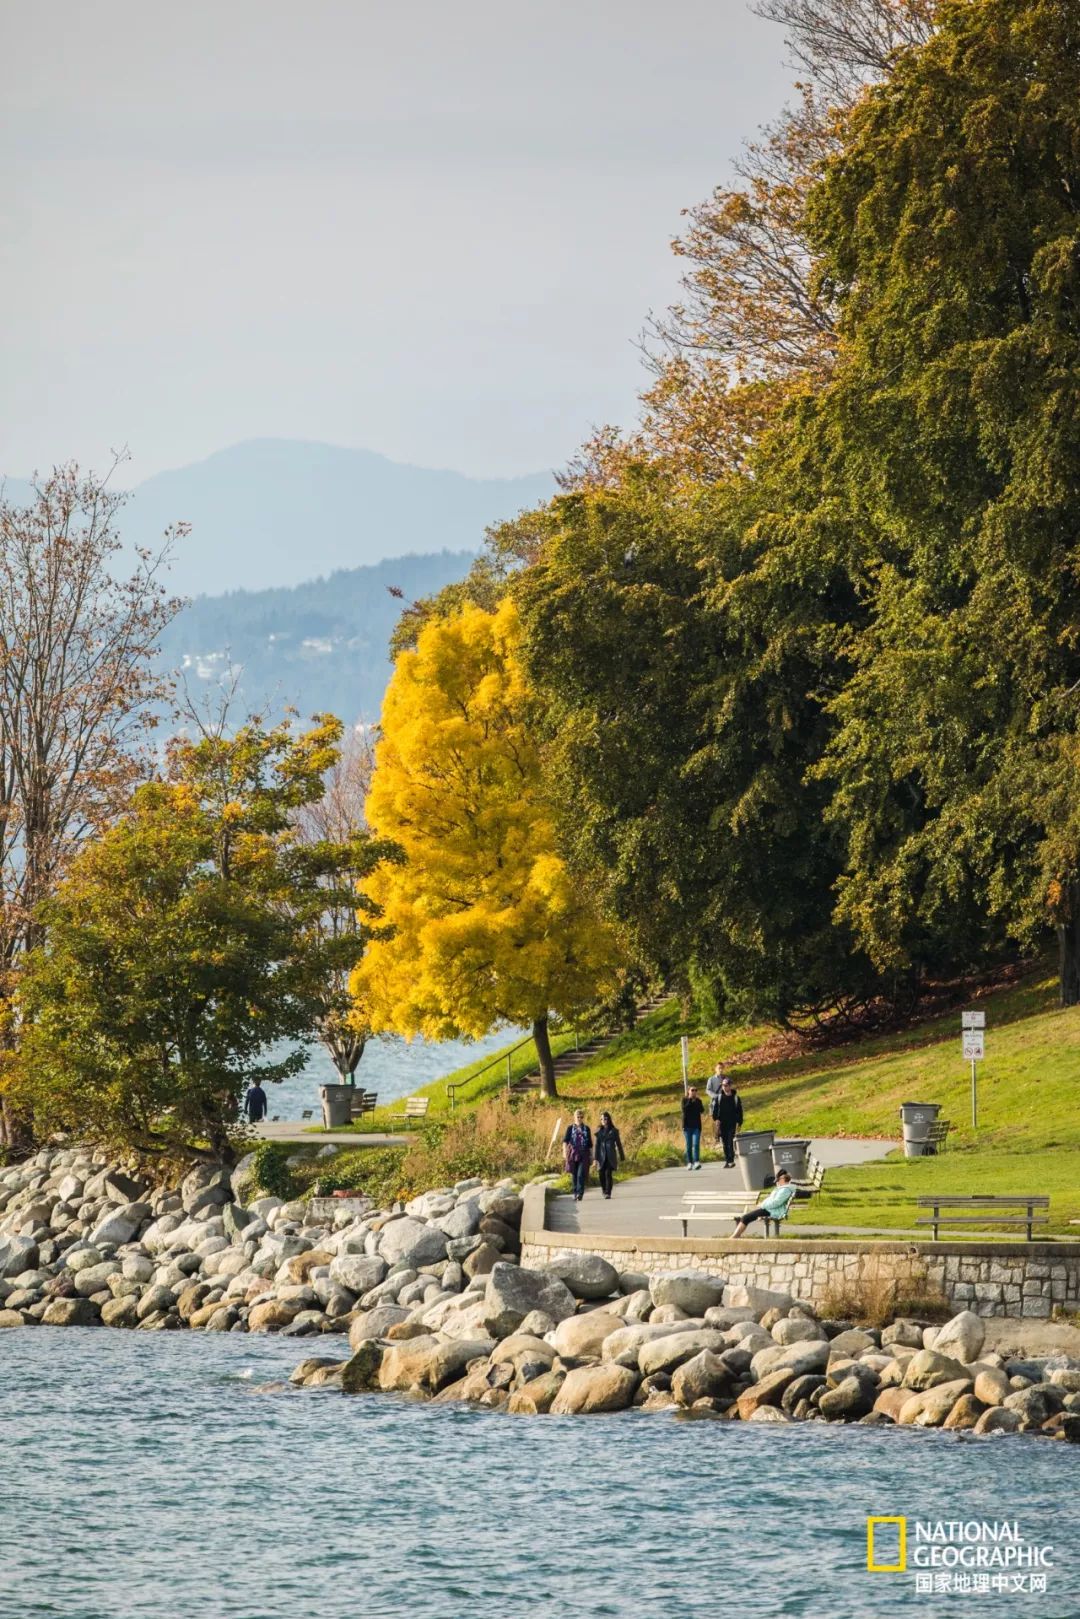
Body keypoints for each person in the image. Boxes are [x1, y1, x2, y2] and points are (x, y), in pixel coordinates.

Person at [732, 1171, 798, 1237]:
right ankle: (735, 1236)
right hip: (770, 1209)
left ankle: (733, 1237)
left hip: (772, 1211)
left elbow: (776, 1202)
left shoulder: (785, 1190)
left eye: (778, 1180)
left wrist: (762, 1205)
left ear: (783, 1179)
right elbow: (772, 1200)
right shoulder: (782, 1189)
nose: (777, 1182)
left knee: (745, 1218)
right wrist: (762, 1205)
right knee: (746, 1218)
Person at [712, 1073, 743, 1168]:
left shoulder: (736, 1098)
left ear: (730, 1086)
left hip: (732, 1123)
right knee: (725, 1143)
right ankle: (727, 1160)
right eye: (723, 1086)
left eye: (726, 1085)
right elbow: (715, 1110)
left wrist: (739, 1122)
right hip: (722, 1124)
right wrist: (716, 1119)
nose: (724, 1087)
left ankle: (731, 1160)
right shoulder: (719, 1098)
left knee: (730, 1142)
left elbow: (739, 1111)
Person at [593, 1111, 625, 1199]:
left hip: (610, 1156)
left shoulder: (614, 1131)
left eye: (605, 1118)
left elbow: (618, 1144)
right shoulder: (599, 1131)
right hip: (601, 1156)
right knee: (601, 1174)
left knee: (608, 1174)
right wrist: (595, 1159)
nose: (603, 1120)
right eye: (602, 1119)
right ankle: (603, 1190)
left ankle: (608, 1192)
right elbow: (596, 1146)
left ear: (609, 1119)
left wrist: (622, 1156)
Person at [563, 1109, 593, 1201]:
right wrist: (564, 1152)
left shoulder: (586, 1128)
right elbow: (565, 1141)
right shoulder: (570, 1128)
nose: (579, 1118)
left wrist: (592, 1155)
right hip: (573, 1153)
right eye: (578, 1117)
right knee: (574, 1174)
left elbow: (590, 1144)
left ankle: (580, 1193)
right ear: (574, 1117)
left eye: (581, 1117)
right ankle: (575, 1192)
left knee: (581, 1174)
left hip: (584, 1153)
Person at [682, 1085, 704, 1170]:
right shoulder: (684, 1100)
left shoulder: (698, 1101)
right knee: (689, 1145)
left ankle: (696, 1161)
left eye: (695, 1090)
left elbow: (702, 1110)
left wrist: (696, 1101)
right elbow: (684, 1110)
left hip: (696, 1126)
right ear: (688, 1091)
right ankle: (689, 1162)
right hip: (687, 1127)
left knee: (696, 1144)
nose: (694, 1092)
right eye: (692, 1090)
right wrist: (690, 1100)